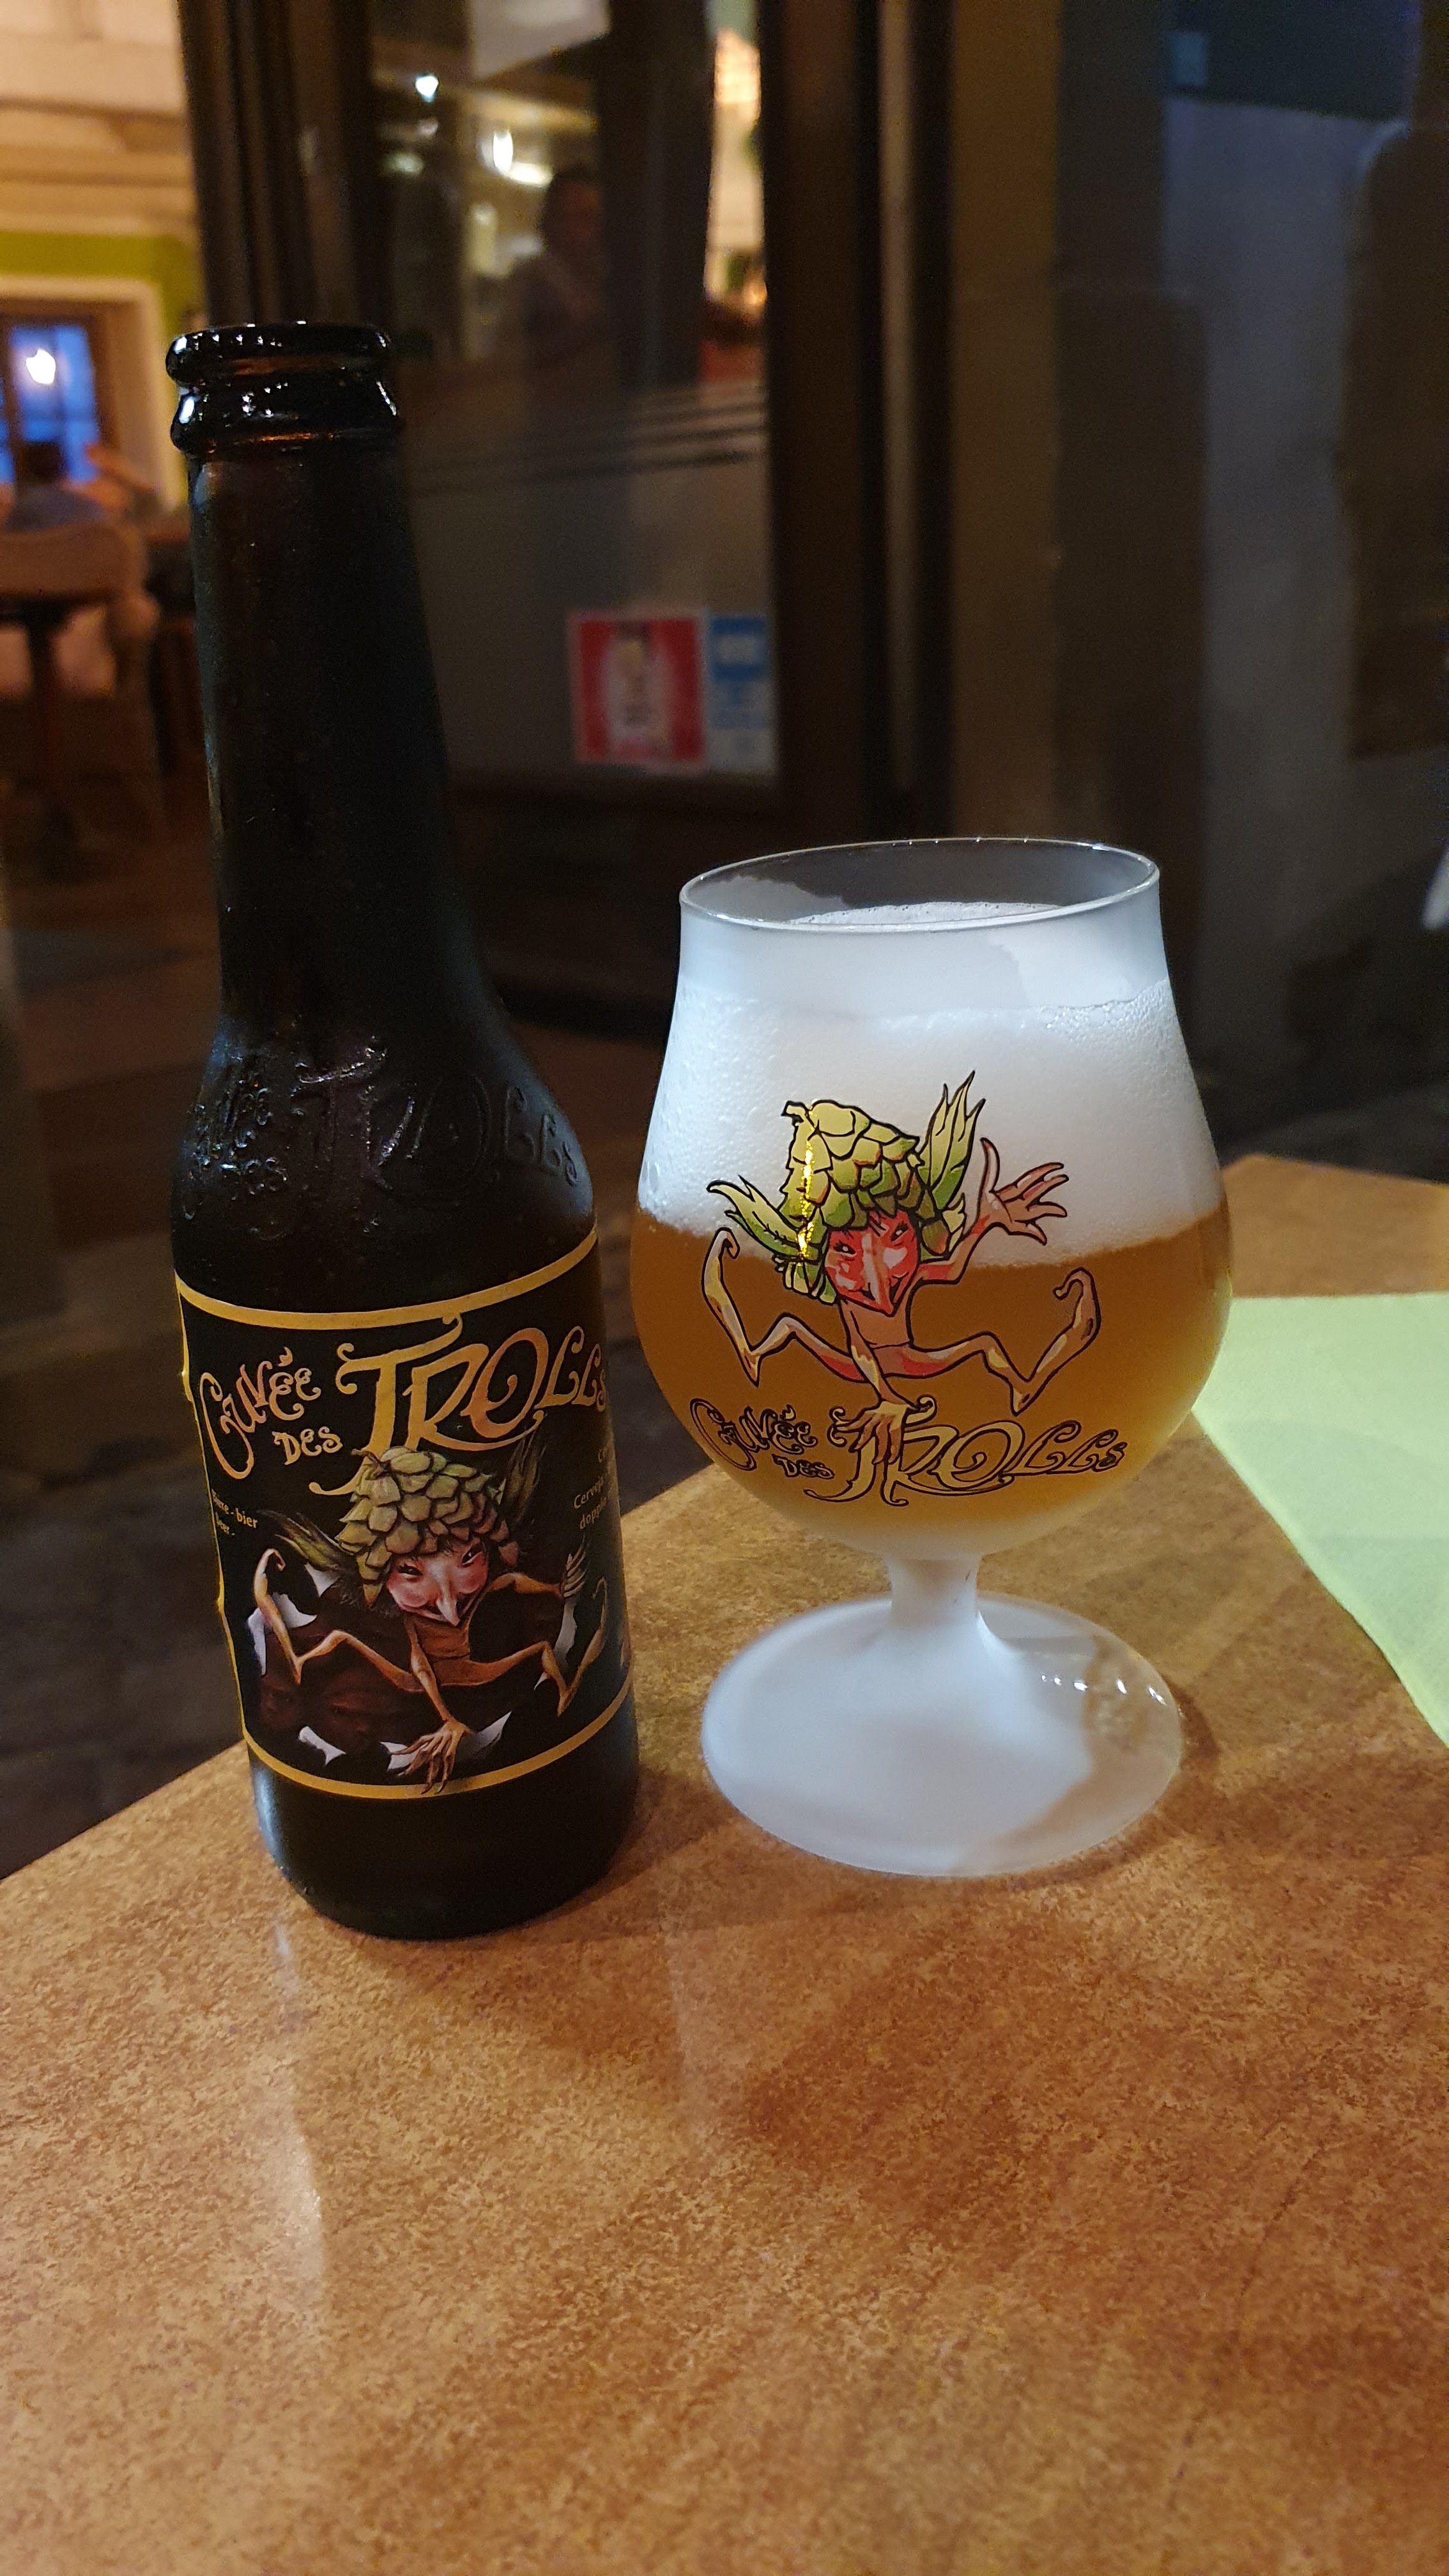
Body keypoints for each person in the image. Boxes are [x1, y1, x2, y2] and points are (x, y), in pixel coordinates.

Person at [495, 164, 613, 390]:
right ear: (552, 224)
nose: (597, 231)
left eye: (600, 219)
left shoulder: (606, 282)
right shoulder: (531, 285)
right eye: (583, 217)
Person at [5, 438, 105, 532]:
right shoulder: (90, 508)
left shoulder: (21, 511)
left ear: (25, 471)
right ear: (63, 467)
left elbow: (9, 541)